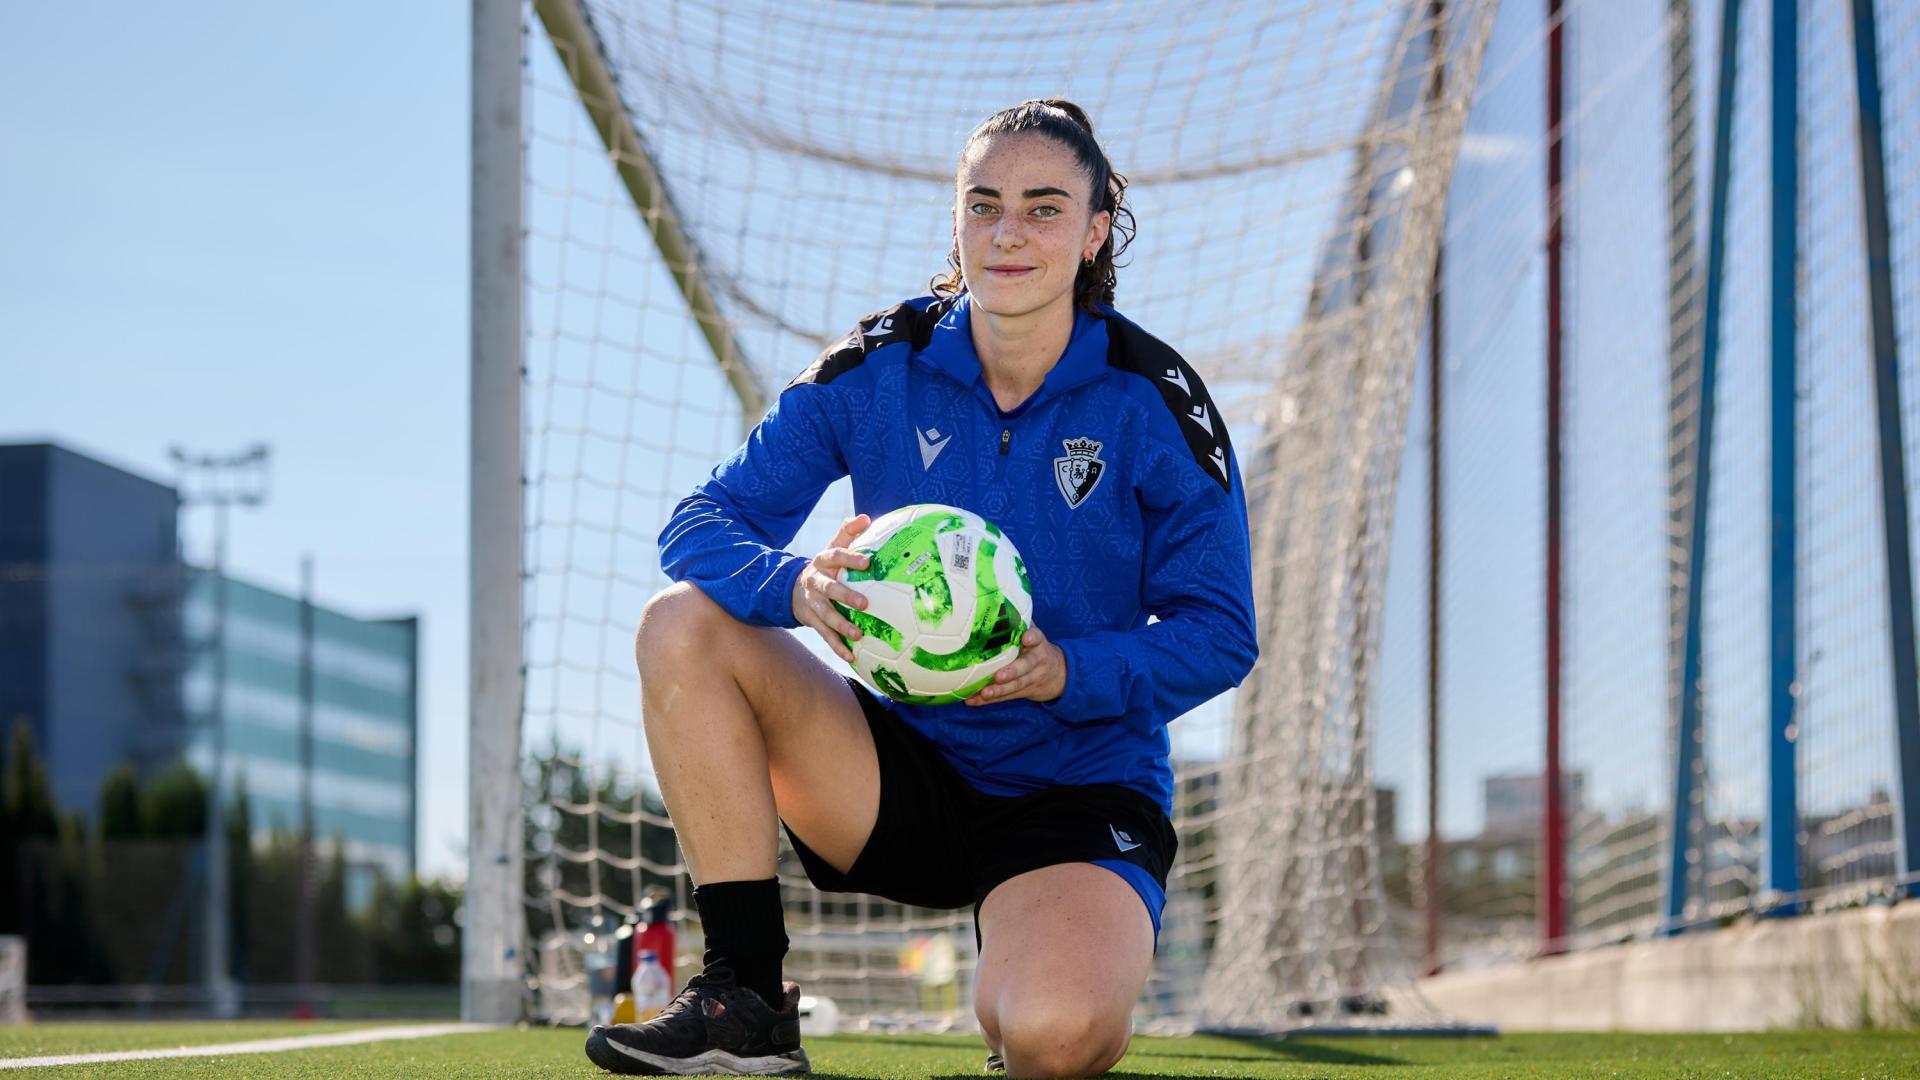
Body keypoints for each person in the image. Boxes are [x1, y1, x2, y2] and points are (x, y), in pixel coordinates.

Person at [584, 99, 1257, 1078]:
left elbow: (1222, 631)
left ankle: (1038, 963)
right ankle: (746, 999)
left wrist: (1068, 670)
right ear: (956, 221)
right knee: (681, 626)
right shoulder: (879, 367)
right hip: (892, 774)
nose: (1008, 233)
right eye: (984, 206)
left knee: (1051, 1036)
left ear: (1095, 231)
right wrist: (797, 585)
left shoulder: (1153, 400)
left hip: (1077, 787)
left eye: (1043, 208)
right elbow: (701, 521)